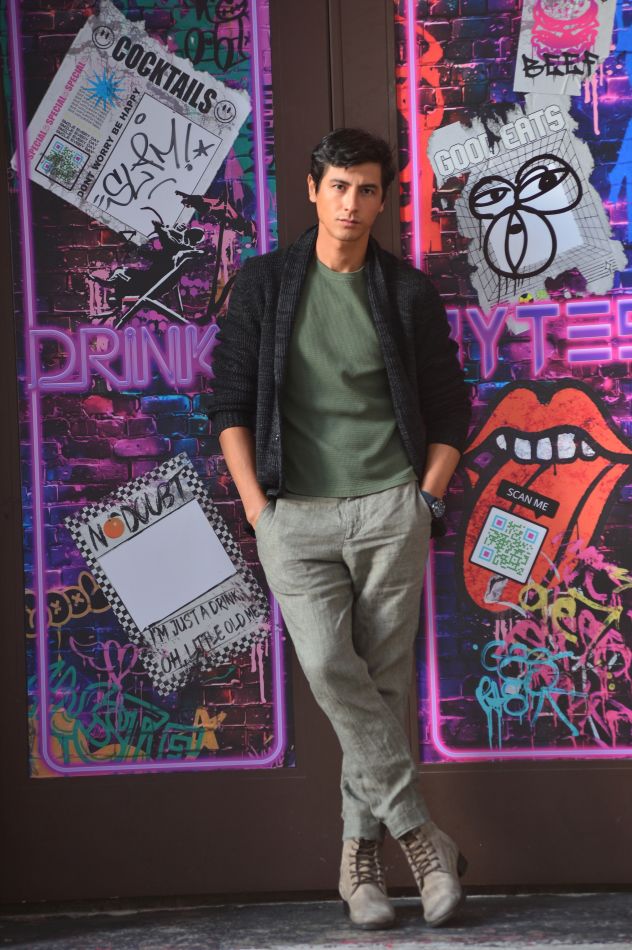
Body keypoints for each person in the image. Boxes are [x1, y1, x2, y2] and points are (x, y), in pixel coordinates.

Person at [208, 128, 472, 930]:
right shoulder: (264, 286)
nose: (351, 203)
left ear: (383, 199)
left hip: (390, 508)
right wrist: (258, 511)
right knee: (330, 666)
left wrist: (424, 500)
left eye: (366, 190)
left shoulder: (406, 293)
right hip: (295, 516)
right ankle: (423, 839)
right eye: (338, 187)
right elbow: (229, 405)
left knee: (382, 689)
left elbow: (450, 407)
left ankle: (359, 868)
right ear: (312, 190)